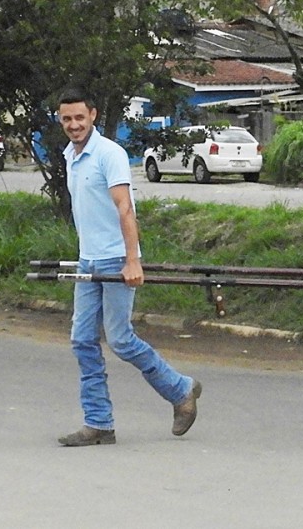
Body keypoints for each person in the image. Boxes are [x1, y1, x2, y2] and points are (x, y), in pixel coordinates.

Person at [55, 87, 201, 447]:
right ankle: (99, 423)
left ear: (93, 115)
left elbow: (124, 207)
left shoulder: (109, 154)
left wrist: (132, 259)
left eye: (79, 117)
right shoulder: (70, 155)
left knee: (119, 339)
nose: (74, 125)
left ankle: (180, 390)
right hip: (88, 259)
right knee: (82, 340)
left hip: (117, 258)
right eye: (67, 119)